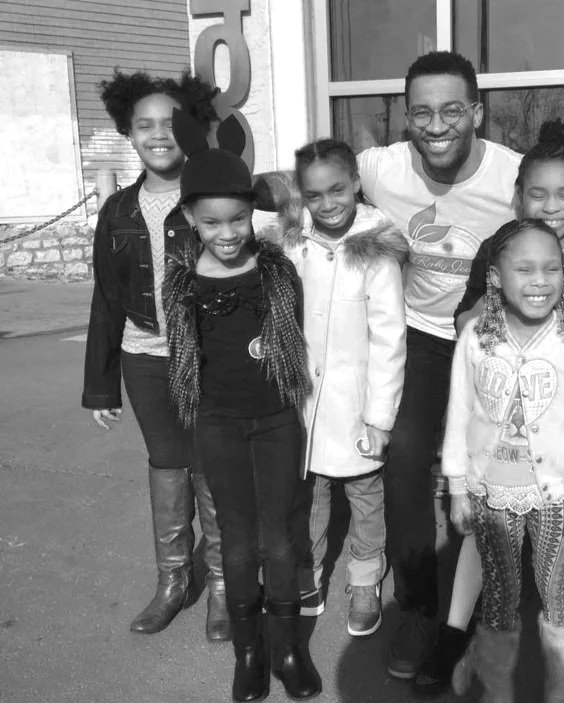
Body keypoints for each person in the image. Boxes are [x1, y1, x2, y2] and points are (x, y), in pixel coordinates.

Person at [255, 50, 564, 678]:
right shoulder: (379, 166)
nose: (436, 125)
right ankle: (420, 606)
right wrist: (222, 202)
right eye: (420, 112)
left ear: (476, 111)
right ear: (407, 117)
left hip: (513, 344)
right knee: (408, 454)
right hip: (422, 334)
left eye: (450, 110)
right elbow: (302, 179)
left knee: (542, 472)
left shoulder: (515, 173)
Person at [417, 119, 564, 696]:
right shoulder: (502, 250)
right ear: (518, 197)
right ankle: (453, 632)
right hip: (502, 422)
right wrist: (504, 300)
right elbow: (465, 320)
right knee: (483, 539)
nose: (551, 206)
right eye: (538, 194)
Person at [163, 109, 319, 702]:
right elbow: (184, 363)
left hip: (277, 421)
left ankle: (285, 647)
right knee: (235, 535)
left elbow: (291, 344)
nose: (227, 233)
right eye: (211, 223)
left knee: (280, 536)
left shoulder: (277, 275)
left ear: (251, 215)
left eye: (237, 220)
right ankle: (248, 650)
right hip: (219, 424)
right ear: (189, 219)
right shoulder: (181, 286)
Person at [81, 69, 230, 641]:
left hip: (208, 357)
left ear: (189, 128)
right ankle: (172, 581)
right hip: (143, 358)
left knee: (212, 465)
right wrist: (100, 384)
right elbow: (106, 297)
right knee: (168, 463)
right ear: (129, 132)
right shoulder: (116, 211)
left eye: (170, 124)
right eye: (144, 125)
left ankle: (220, 584)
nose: (158, 134)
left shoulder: (209, 198)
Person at [442, 218, 564, 703]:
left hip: (557, 495)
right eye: (525, 269)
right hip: (490, 494)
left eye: (551, 269)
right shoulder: (476, 338)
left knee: (557, 593)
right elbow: (459, 413)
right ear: (495, 277)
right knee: (500, 596)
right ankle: (493, 679)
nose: (540, 281)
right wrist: (456, 489)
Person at [282, 138, 407, 637]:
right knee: (307, 492)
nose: (328, 203)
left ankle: (364, 578)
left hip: (357, 403)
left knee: (364, 494)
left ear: (356, 182)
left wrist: (379, 417)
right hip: (302, 399)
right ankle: (306, 571)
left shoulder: (376, 248)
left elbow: (389, 337)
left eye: (337, 189)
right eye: (314, 195)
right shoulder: (293, 241)